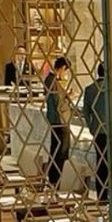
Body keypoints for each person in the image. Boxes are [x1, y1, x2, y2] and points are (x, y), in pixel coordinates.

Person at [43, 55, 74, 187]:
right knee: (61, 151)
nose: (65, 74)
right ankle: (58, 178)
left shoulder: (49, 79)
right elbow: (58, 104)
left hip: (55, 120)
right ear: (62, 68)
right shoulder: (52, 81)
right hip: (60, 121)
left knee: (55, 149)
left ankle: (53, 178)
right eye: (66, 70)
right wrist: (69, 98)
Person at [82, 61, 110, 201]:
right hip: (111, 132)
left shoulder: (89, 89)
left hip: (98, 131)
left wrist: (91, 127)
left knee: (101, 163)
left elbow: (85, 112)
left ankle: (102, 195)